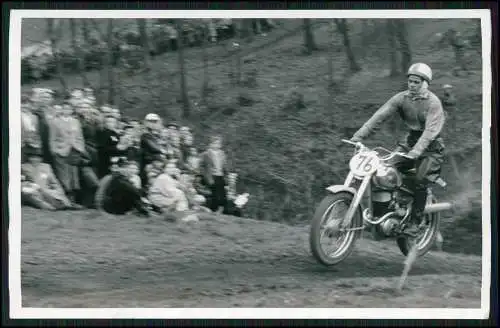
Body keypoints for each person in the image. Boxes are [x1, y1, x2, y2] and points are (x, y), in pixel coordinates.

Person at [350, 63, 446, 235]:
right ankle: (387, 212)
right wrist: (359, 135)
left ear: (425, 83)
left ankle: (415, 223)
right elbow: (379, 116)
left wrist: (416, 152)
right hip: (410, 143)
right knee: (384, 171)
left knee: (419, 180)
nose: (412, 85)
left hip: (431, 148)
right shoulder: (401, 98)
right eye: (410, 81)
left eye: (417, 82)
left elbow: (430, 132)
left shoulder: (433, 103)